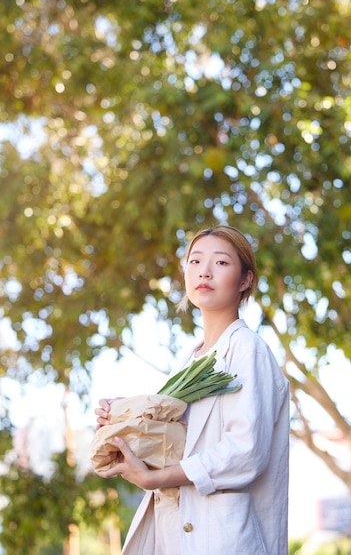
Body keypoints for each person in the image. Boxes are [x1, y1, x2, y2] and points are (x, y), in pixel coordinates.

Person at [95, 225, 289, 555]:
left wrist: (158, 479)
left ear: (245, 280)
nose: (205, 272)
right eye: (195, 261)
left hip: (224, 539)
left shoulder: (247, 350)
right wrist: (125, 415)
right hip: (177, 536)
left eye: (222, 263)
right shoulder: (190, 359)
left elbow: (246, 450)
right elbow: (179, 441)